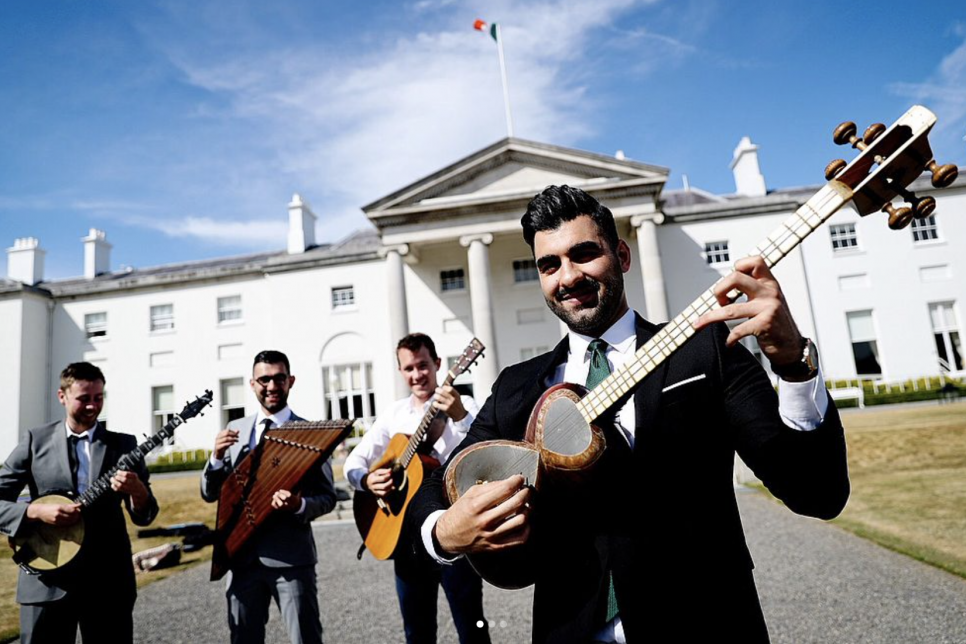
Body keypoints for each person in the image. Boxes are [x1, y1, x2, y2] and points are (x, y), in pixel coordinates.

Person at [409, 185, 850, 643]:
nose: (568, 277)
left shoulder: (707, 352)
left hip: (707, 624)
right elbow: (435, 485)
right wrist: (443, 531)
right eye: (549, 264)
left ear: (622, 255)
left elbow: (817, 492)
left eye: (584, 254)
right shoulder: (516, 389)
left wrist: (793, 364)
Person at [344, 333, 490, 644]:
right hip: (406, 539)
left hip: (455, 532)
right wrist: (367, 481)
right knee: (417, 632)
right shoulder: (394, 414)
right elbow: (354, 462)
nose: (416, 375)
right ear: (400, 371)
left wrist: (460, 417)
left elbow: (486, 449)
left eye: (422, 366)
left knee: (472, 627)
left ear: (438, 364)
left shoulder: (463, 405)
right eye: (408, 368)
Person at [0, 362, 159, 644]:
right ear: (62, 396)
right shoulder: (35, 441)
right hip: (46, 578)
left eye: (98, 398)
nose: (92, 406)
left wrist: (137, 491)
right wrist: (35, 511)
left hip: (107, 582)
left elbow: (145, 514)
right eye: (84, 398)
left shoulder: (123, 445)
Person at [201, 350, 337, 644]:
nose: (272, 386)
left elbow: (327, 498)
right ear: (252, 384)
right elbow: (210, 494)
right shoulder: (234, 431)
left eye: (278, 378)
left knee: (306, 639)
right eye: (264, 379)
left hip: (291, 561)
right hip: (241, 562)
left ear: (291, 381)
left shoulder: (310, 434)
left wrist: (298, 505)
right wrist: (215, 459)